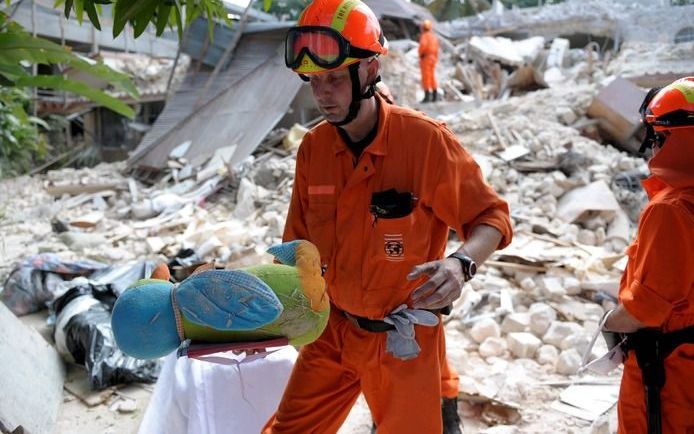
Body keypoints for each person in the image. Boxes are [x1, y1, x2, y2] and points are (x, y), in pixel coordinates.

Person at [263, 0, 512, 432]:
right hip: (331, 328)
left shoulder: (424, 142)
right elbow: (295, 250)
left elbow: (491, 217)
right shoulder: (314, 149)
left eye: (335, 79)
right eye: (314, 80)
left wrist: (461, 263)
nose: (322, 94)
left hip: (402, 340)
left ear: (369, 70)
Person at [602, 77, 694, 434]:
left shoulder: (671, 210)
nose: (652, 147)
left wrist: (610, 323)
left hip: (668, 372)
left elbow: (646, 309)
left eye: (657, 136)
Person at [418, 19, 440, 103]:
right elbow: (437, 48)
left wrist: (420, 54)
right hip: (433, 58)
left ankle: (427, 97)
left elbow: (422, 46)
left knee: (426, 77)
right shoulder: (433, 36)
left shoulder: (425, 36)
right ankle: (434, 96)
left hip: (426, 58)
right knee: (432, 77)